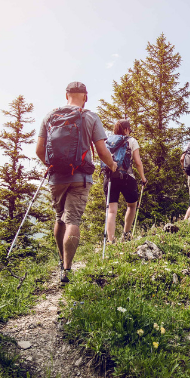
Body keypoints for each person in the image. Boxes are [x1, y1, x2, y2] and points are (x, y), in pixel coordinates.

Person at [36, 81, 117, 284]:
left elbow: (39, 150)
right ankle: (67, 269)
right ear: (86, 96)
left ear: (66, 95)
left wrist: (52, 165)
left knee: (59, 217)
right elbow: (101, 151)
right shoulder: (90, 116)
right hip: (80, 177)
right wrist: (112, 165)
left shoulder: (50, 116)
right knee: (73, 219)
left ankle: (60, 261)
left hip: (56, 177)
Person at [104, 120, 147, 243]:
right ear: (127, 129)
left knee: (112, 210)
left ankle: (110, 240)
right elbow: (138, 162)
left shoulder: (108, 141)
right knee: (131, 205)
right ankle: (126, 234)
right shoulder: (131, 141)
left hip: (109, 177)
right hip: (127, 177)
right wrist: (143, 178)